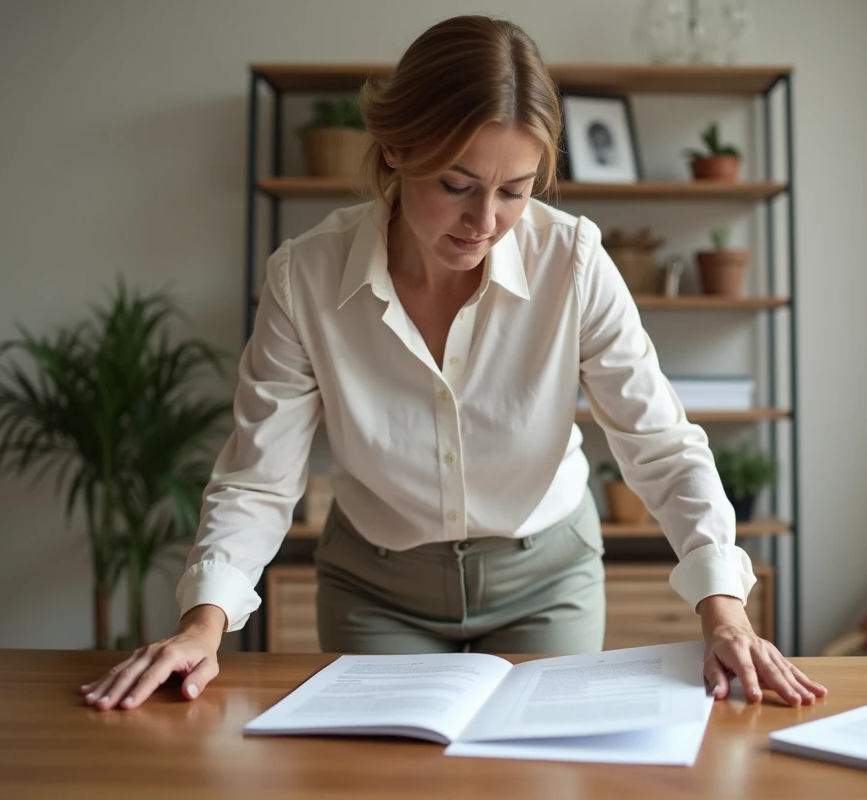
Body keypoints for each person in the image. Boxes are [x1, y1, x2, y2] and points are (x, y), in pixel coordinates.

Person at [81, 15, 826, 713]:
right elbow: (258, 475)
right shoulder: (304, 278)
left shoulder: (572, 261)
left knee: (537, 778)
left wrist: (724, 611)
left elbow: (660, 444)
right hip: (376, 589)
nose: (485, 222)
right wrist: (203, 625)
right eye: (457, 186)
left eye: (515, 191)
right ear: (396, 149)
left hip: (546, 580)